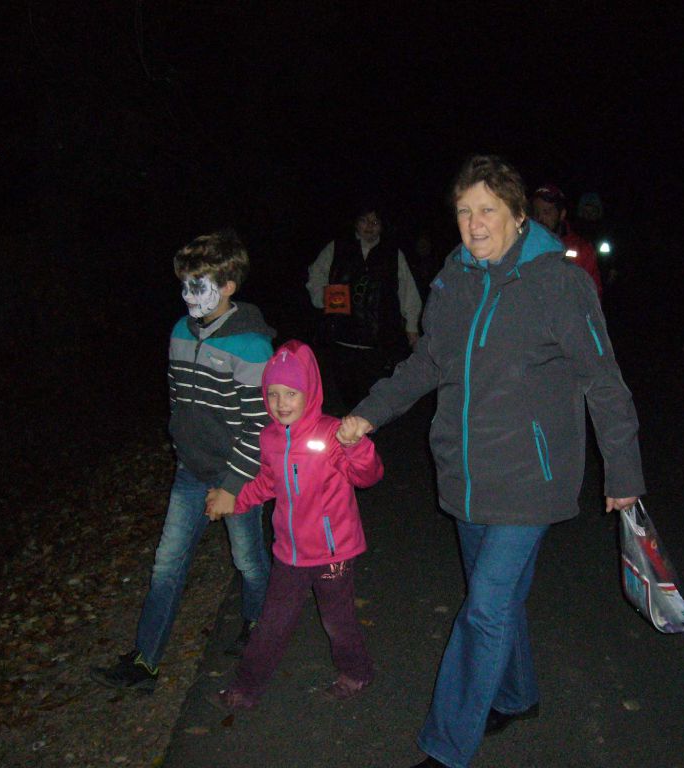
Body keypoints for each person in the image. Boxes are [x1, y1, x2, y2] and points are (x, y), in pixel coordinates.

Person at [337, 155, 645, 768]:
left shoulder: (559, 283)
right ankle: (516, 693)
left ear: (518, 214)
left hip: (531, 478)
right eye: (464, 211)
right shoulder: (452, 278)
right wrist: (369, 413)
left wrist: (624, 471)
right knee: (498, 599)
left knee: (483, 609)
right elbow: (428, 362)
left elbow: (603, 380)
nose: (475, 224)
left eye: (488, 210)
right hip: (466, 472)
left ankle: (446, 745)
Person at [90, 230, 275, 692]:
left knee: (248, 561)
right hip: (190, 472)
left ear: (228, 285)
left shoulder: (251, 346)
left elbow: (260, 427)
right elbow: (177, 401)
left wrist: (231, 485)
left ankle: (257, 625)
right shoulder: (178, 332)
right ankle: (145, 661)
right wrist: (182, 447)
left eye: (199, 283)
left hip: (238, 474)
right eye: (185, 283)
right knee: (166, 565)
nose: (189, 293)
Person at [208, 339, 383, 709]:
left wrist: (355, 446)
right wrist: (234, 499)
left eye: (291, 393)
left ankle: (357, 671)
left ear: (310, 392)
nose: (281, 403)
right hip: (289, 552)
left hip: (333, 551)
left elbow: (367, 476)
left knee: (337, 621)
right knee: (272, 623)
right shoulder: (270, 438)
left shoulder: (331, 432)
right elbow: (267, 483)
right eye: (273, 394)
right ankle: (246, 689)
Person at [306, 201, 423, 411]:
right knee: (346, 397)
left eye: (375, 222)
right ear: (356, 223)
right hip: (341, 338)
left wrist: (412, 327)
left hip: (378, 342)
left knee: (373, 399)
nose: (369, 226)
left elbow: (408, 291)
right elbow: (315, 275)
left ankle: (367, 430)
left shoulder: (393, 253)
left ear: (382, 226)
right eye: (364, 221)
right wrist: (325, 299)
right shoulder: (337, 246)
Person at [531, 182, 603, 298]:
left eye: (547, 212)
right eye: (536, 213)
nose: (540, 218)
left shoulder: (582, 248)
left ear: (561, 214)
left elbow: (593, 294)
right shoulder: (524, 246)